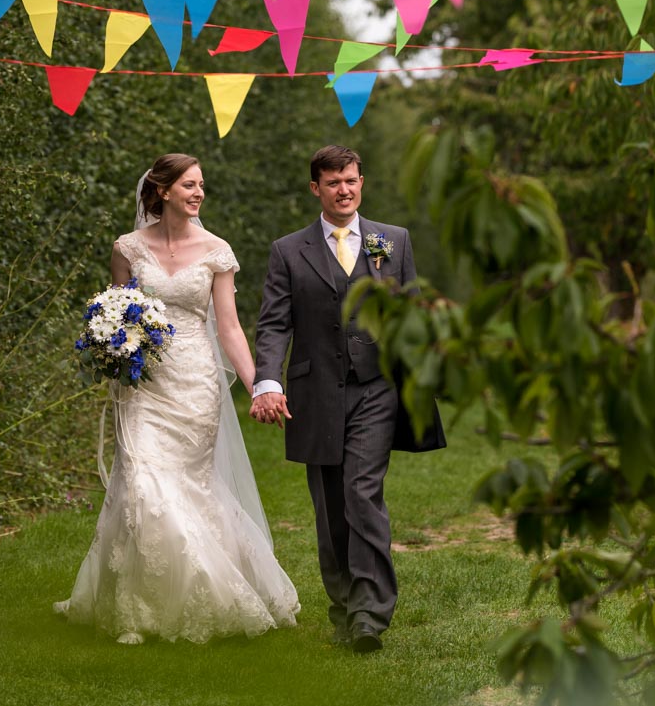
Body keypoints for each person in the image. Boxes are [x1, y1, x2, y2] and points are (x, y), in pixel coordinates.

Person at [55, 153, 300, 645]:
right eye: (189, 184)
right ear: (162, 190)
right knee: (141, 480)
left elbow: (229, 328)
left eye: (202, 185)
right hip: (143, 383)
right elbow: (117, 309)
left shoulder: (216, 251)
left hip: (194, 382)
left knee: (189, 485)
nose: (199, 193)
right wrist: (110, 347)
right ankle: (132, 610)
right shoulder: (128, 248)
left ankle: (200, 591)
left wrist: (261, 388)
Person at [250, 145, 445, 654]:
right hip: (315, 392)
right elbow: (273, 323)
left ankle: (370, 614)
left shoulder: (392, 242)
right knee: (331, 504)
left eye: (352, 180)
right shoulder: (288, 251)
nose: (344, 189)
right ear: (316, 188)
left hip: (376, 388)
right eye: (333, 182)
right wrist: (267, 380)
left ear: (363, 182)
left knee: (362, 492)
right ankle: (342, 602)